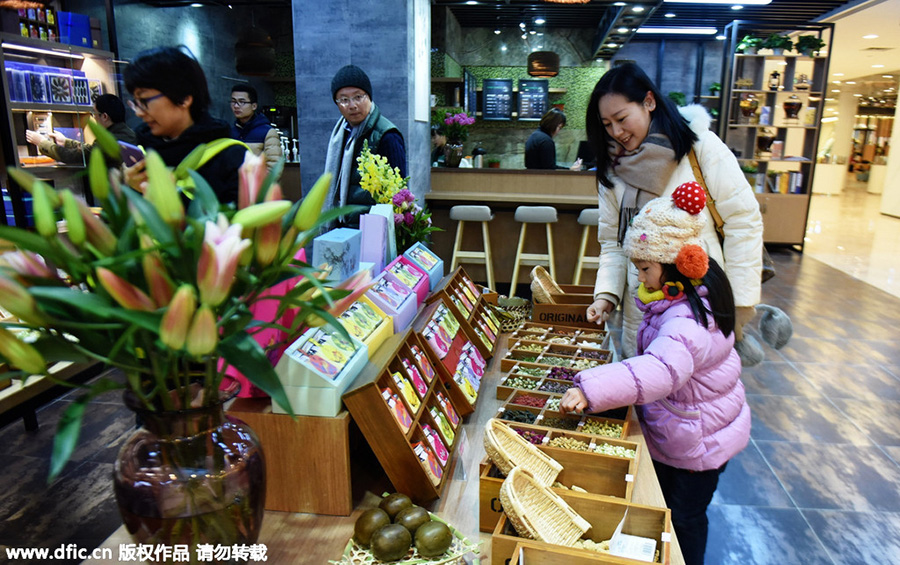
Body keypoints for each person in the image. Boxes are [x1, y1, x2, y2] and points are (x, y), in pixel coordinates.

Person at [560, 183, 750, 565]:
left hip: (697, 441)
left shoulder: (685, 320)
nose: (640, 278)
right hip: (691, 428)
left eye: (645, 268)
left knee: (685, 518)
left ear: (676, 266)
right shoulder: (681, 301)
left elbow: (661, 369)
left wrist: (591, 387)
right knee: (678, 511)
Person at [584, 62, 762, 359]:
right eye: (607, 124)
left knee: (696, 392)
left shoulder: (699, 147)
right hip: (643, 304)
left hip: (700, 302)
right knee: (645, 385)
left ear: (649, 102)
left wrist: (740, 303)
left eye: (622, 118)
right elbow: (613, 244)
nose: (617, 132)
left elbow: (743, 222)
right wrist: (605, 295)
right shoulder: (612, 171)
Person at [122, 46, 249, 204]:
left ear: (183, 98)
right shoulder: (142, 154)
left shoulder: (232, 158)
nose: (139, 113)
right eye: (136, 102)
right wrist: (131, 189)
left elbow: (238, 226)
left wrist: (164, 196)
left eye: (144, 100)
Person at [323, 64, 407, 227]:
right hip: (342, 225)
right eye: (344, 100)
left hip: (372, 229)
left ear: (369, 97)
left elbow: (399, 192)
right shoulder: (341, 134)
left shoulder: (387, 135)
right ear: (337, 103)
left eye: (358, 97)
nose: (352, 105)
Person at [25, 94, 137, 165]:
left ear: (104, 116)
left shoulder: (109, 141)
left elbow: (75, 156)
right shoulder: (125, 133)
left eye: (94, 113)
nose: (94, 117)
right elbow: (90, 150)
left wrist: (42, 143)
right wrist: (66, 142)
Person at [229, 84, 282, 171]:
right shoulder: (230, 131)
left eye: (242, 102)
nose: (236, 106)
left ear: (254, 106)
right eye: (233, 101)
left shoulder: (267, 132)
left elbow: (274, 167)